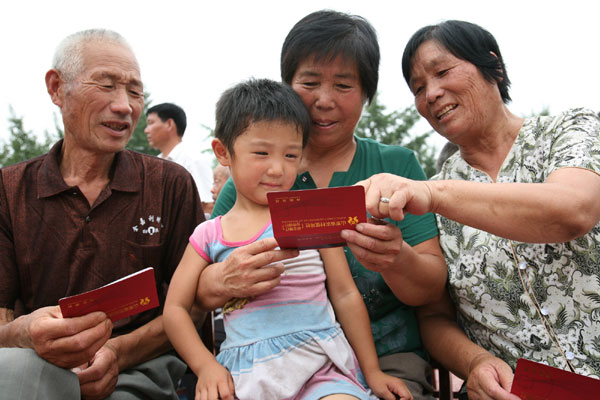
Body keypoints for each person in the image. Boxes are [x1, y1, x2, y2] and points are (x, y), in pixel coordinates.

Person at [204, 10, 447, 399]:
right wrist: (222, 280)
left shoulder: (396, 167)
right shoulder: (250, 183)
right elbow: (198, 283)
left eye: (344, 85)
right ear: (287, 85)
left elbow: (432, 289)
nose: (324, 100)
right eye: (310, 82)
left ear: (367, 93)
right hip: (273, 364)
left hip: (386, 357)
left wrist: (396, 256)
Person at [357, 19, 600, 400]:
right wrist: (474, 362)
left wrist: (432, 193)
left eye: (442, 72)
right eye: (418, 88)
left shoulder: (570, 131)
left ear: (494, 67)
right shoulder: (430, 194)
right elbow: (435, 318)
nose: (432, 94)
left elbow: (573, 211)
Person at [164, 78, 412, 400]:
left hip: (320, 365)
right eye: (262, 152)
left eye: (291, 156)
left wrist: (373, 371)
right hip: (245, 373)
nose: (278, 169)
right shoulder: (210, 233)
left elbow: (345, 294)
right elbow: (176, 309)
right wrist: (205, 367)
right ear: (223, 152)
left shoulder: (313, 212)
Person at [0, 29, 204, 400]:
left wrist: (116, 352)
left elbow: (194, 306)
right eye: (106, 85)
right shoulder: (9, 189)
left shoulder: (169, 184)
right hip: (32, 367)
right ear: (57, 88)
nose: (125, 105)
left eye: (135, 91)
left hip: (142, 371)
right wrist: (23, 333)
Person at [145, 102, 214, 208]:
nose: (146, 130)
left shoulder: (192, 160)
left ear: (169, 124)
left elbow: (207, 206)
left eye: (151, 123)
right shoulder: (153, 163)